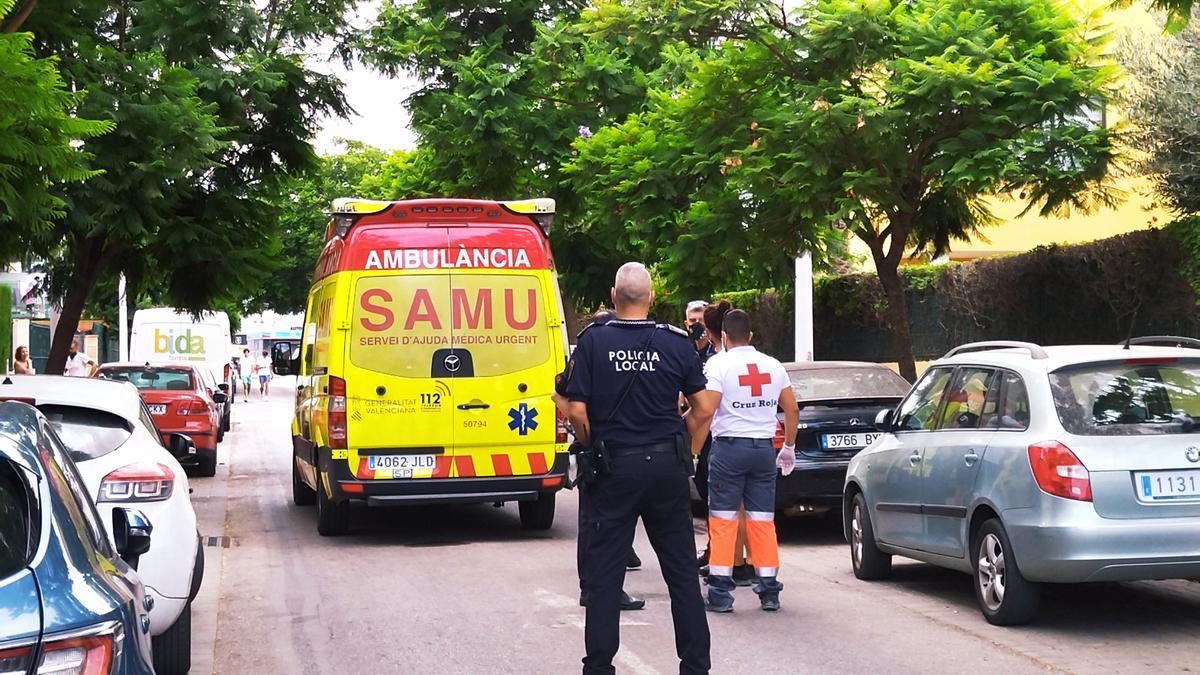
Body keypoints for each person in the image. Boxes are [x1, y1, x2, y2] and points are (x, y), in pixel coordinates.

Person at [565, 262, 710, 675]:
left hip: (614, 467)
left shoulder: (592, 341)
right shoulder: (677, 342)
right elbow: (702, 407)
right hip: (665, 465)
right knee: (681, 572)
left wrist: (594, 443)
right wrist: (681, 442)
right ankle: (696, 666)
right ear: (649, 297)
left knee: (605, 576)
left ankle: (598, 667)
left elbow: (576, 408)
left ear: (613, 296)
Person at [690, 310, 799, 612]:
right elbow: (791, 409)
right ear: (751, 335)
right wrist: (788, 447)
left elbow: (707, 408)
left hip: (728, 450)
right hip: (764, 452)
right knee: (762, 520)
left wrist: (691, 443)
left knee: (724, 520)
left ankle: (721, 594)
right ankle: (769, 591)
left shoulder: (718, 364)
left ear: (723, 336)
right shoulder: (772, 365)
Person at [553, 309, 645, 612]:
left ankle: (591, 587)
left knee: (592, 522)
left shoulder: (588, 359)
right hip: (603, 450)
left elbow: (560, 394)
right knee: (609, 527)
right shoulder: (609, 360)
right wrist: (590, 437)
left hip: (594, 449)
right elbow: (561, 397)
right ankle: (605, 589)